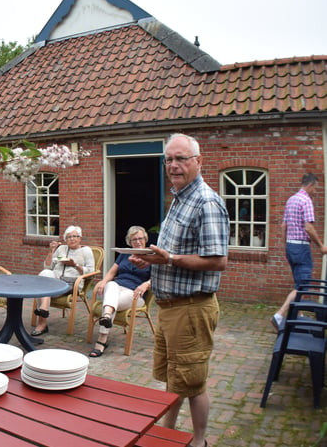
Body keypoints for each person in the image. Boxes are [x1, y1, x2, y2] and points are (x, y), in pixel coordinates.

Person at [130, 133, 228, 447]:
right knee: (175, 379)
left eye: (181, 158)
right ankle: (166, 436)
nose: (173, 165)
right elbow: (173, 254)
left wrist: (168, 258)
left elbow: (217, 260)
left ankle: (199, 442)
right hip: (171, 308)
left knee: (193, 382)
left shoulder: (206, 201)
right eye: (169, 159)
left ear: (198, 161)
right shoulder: (180, 196)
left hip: (191, 308)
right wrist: (153, 262)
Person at [271, 173, 327, 332]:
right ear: (310, 185)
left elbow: (284, 226)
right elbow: (308, 227)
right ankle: (280, 315)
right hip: (302, 248)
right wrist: (321, 246)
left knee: (298, 282)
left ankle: (299, 314)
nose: (316, 191)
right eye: (315, 187)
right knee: (302, 286)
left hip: (291, 246)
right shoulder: (306, 201)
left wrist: (286, 245)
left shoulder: (291, 199)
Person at [89, 225, 152, 357]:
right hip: (117, 288)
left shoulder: (152, 257)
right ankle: (106, 317)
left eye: (141, 238)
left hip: (135, 294)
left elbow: (157, 277)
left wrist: (146, 284)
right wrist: (103, 281)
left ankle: (101, 340)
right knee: (111, 285)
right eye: (134, 240)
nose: (138, 242)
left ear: (145, 239)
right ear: (130, 242)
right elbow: (112, 272)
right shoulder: (125, 254)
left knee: (110, 304)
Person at [31, 225, 95, 336]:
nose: (72, 239)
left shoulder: (86, 251)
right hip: (55, 279)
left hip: (71, 283)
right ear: (65, 239)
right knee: (44, 275)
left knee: (42, 288)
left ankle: (42, 323)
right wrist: (51, 251)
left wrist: (75, 265)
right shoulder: (61, 249)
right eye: (69, 237)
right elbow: (47, 266)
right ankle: (44, 309)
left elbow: (90, 272)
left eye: (75, 236)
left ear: (80, 238)